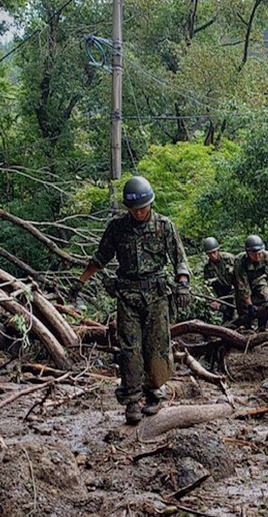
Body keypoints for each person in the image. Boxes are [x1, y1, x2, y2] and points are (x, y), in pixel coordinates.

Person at [73, 176, 190, 424]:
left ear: (150, 204)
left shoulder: (164, 226)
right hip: (127, 296)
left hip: (156, 296)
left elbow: (180, 258)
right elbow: (100, 257)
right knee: (129, 350)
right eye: (134, 209)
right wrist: (80, 281)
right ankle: (132, 401)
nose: (139, 213)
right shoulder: (117, 228)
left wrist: (182, 285)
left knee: (157, 347)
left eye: (143, 208)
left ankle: (154, 393)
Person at [233, 234, 268, 330]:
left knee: (265, 297)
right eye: (254, 254)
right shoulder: (240, 261)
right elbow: (243, 285)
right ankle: (246, 328)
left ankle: (264, 328)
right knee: (244, 308)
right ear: (248, 252)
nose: (258, 256)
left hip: (259, 281)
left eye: (259, 253)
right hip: (243, 284)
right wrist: (249, 305)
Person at [201, 237, 236, 324]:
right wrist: (213, 300)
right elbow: (208, 286)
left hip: (235, 290)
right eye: (210, 254)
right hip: (221, 295)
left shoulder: (230, 259)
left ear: (218, 250)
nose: (213, 256)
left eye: (214, 252)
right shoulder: (207, 267)